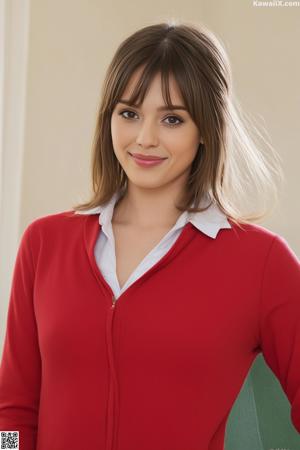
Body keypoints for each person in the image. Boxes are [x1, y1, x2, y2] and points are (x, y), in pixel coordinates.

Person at [0, 19, 299, 450]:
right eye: (129, 113)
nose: (144, 139)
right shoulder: (44, 244)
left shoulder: (261, 262)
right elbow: (12, 408)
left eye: (172, 119)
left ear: (206, 131)